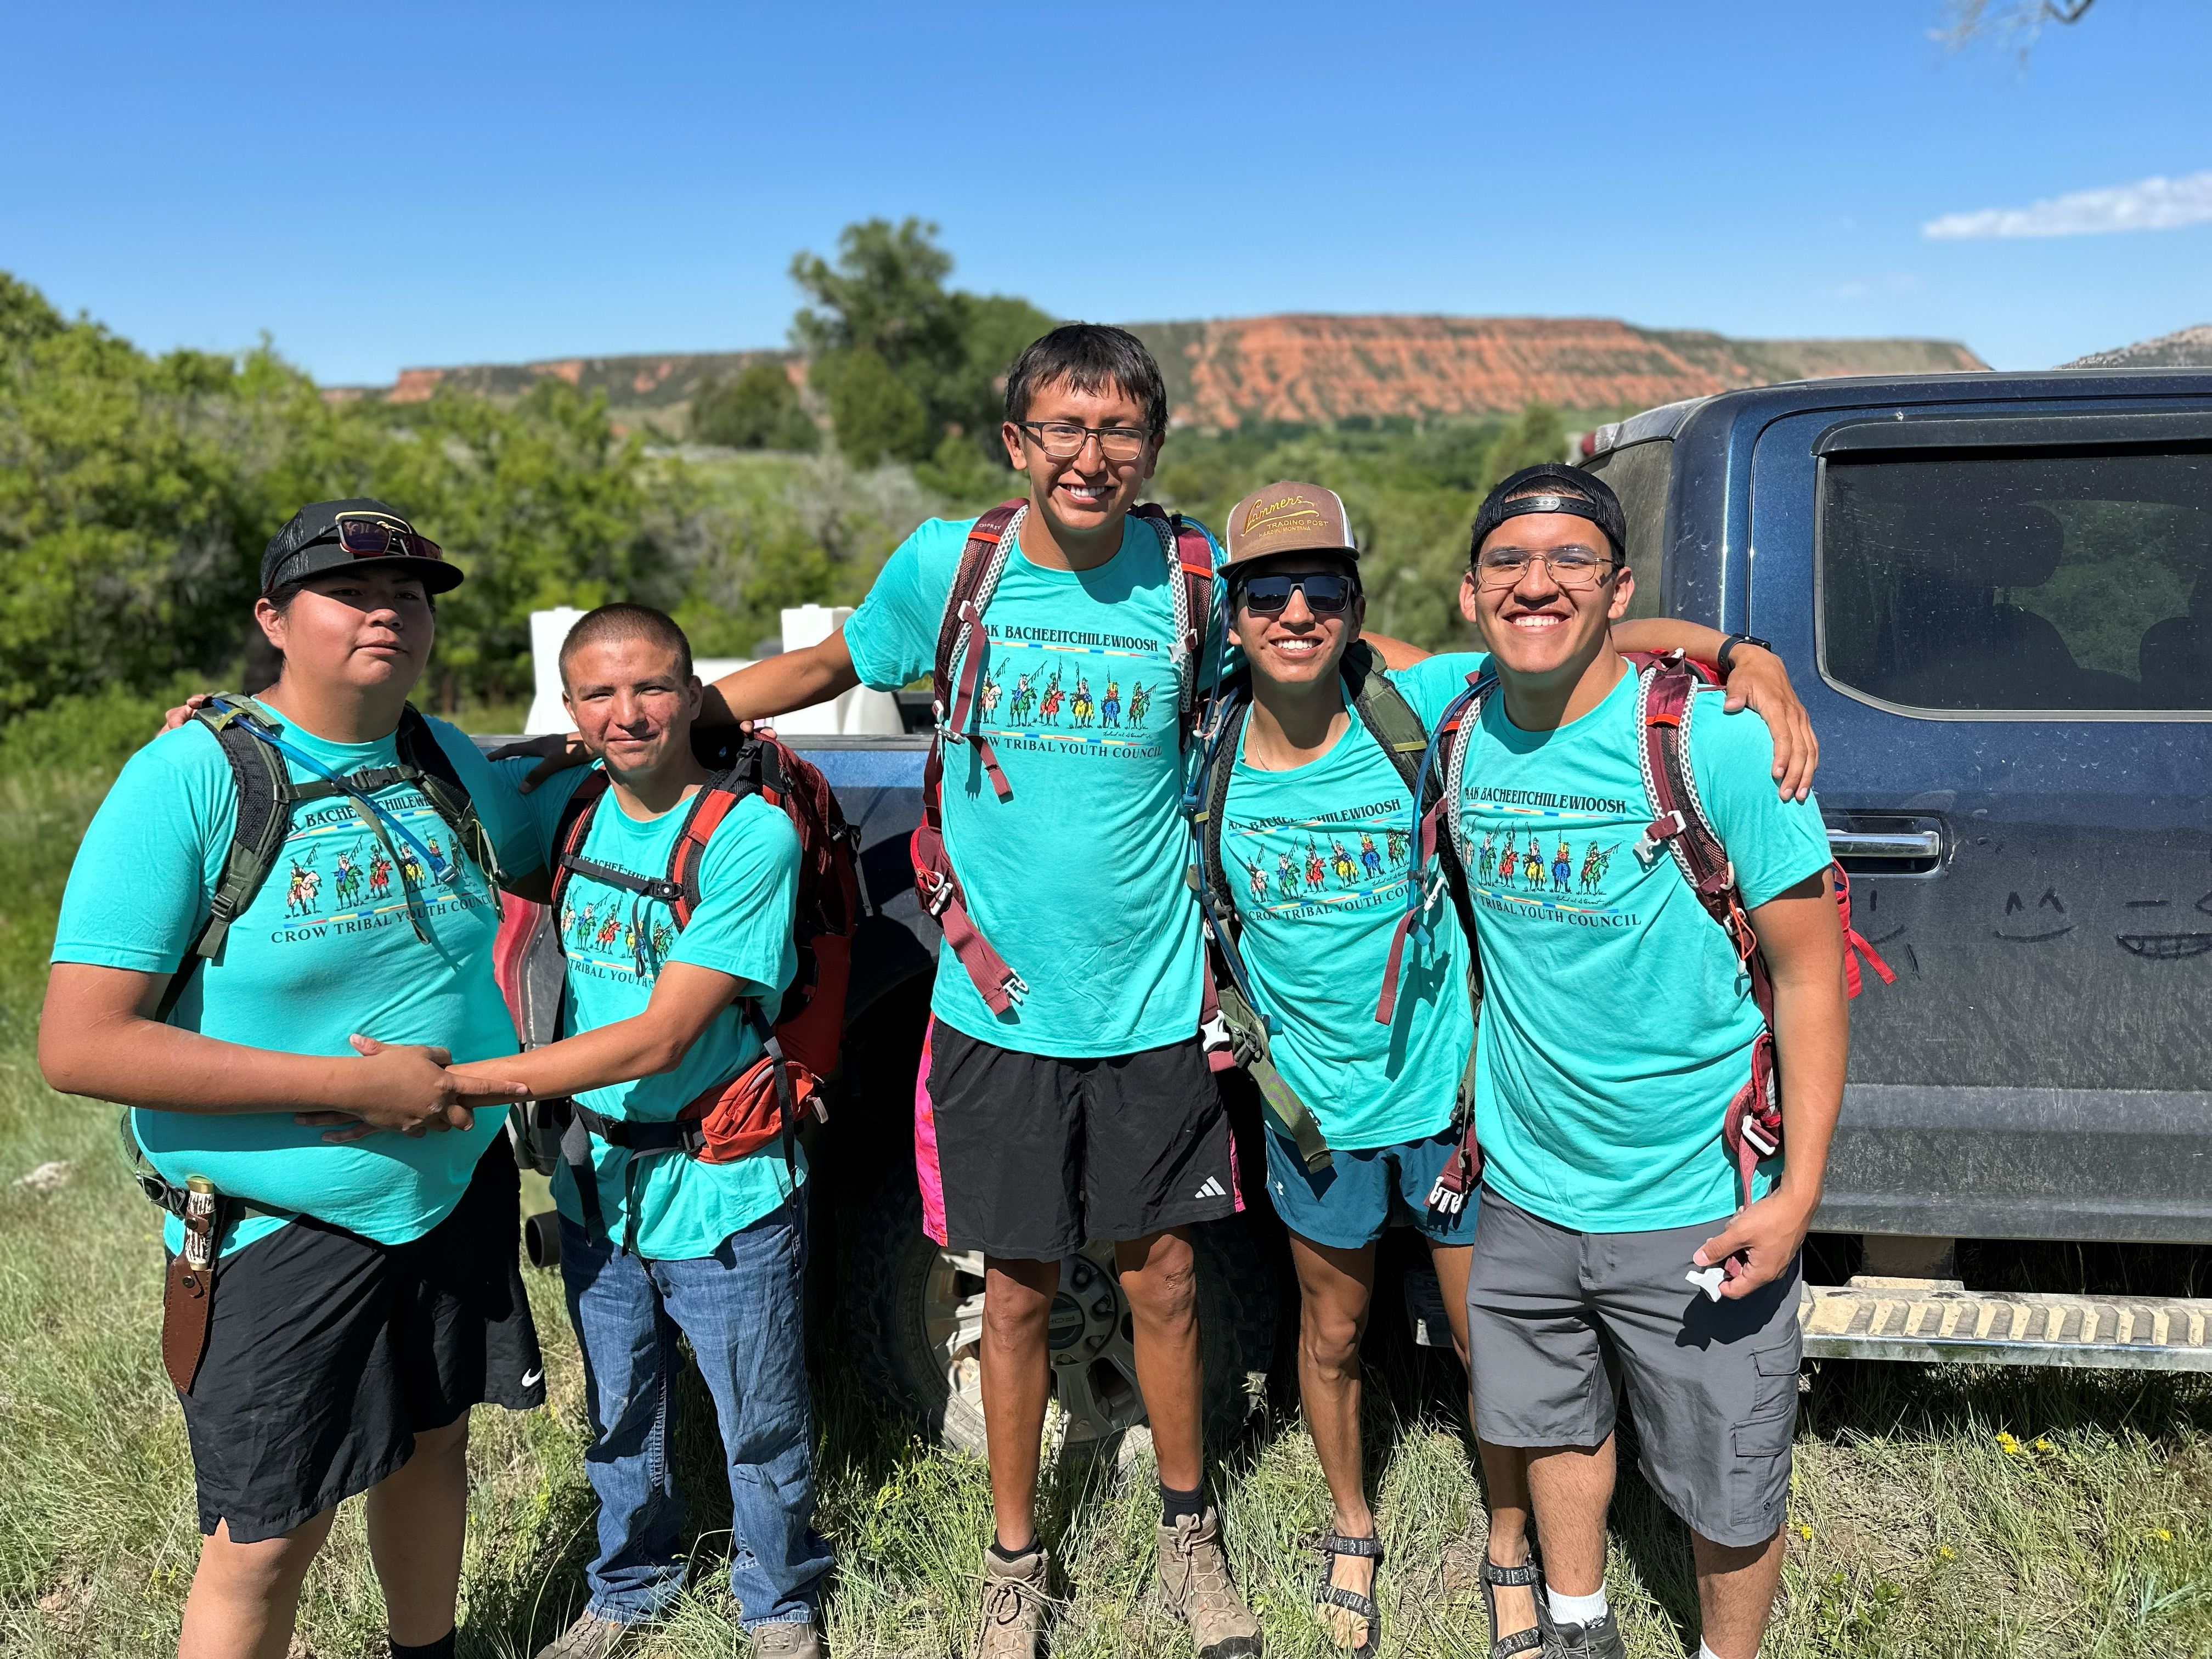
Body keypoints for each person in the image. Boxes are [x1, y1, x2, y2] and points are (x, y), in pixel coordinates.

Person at [505, 324, 1268, 1659]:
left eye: (1119, 430)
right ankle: (1015, 1565)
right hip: (989, 1004)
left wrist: (1680, 651)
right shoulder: (952, 566)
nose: (1091, 456)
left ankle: (1187, 1537)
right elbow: (827, 668)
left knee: (1163, 1280)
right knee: (1014, 1290)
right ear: (1018, 441)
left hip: (1151, 999)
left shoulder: (1195, 575)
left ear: (1155, 445)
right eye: (1064, 428)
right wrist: (645, 734)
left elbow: (1316, 677)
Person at [1202, 482, 1818, 1657]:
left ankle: (1508, 1545)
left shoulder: (1422, 698)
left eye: (1322, 589)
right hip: (1311, 1113)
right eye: (1266, 593)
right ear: (1232, 616)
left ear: (1357, 608)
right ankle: (1351, 1524)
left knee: (1496, 1351)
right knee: (1331, 1335)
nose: (1294, 612)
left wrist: (1742, 654)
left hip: (1452, 1106)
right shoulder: (1209, 742)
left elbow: (1582, 632)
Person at [39, 500, 544, 1659]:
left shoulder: (443, 755)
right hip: (279, 1223)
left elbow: (547, 834)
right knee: (265, 1537)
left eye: (408, 595)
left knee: (434, 1448)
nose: (387, 613)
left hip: (453, 1185)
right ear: (272, 619)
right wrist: (354, 1089)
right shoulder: (192, 776)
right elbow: (81, 1045)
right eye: (349, 593)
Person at [1398, 466, 1846, 1659]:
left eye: (1572, 563)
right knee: (1551, 1424)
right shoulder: (1457, 721)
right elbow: (1311, 647)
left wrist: (1798, 1195)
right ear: (1469, 593)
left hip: (1698, 1196)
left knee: (1730, 1477)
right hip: (1525, 1189)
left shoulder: (1718, 743)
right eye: (1508, 562)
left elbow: (1811, 975)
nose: (1536, 585)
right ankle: (1579, 1624)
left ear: (1620, 586)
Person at [449, 605, 831, 1659]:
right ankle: (628, 1589)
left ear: (693, 693)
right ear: (571, 710)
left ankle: (780, 1602)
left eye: (653, 686)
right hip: (596, 1184)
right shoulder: (567, 809)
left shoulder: (748, 835)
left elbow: (663, 1038)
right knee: (619, 1412)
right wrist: (233, 721)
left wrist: (466, 1085)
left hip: (725, 1184)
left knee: (759, 1422)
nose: (629, 713)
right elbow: (406, 757)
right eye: (600, 695)